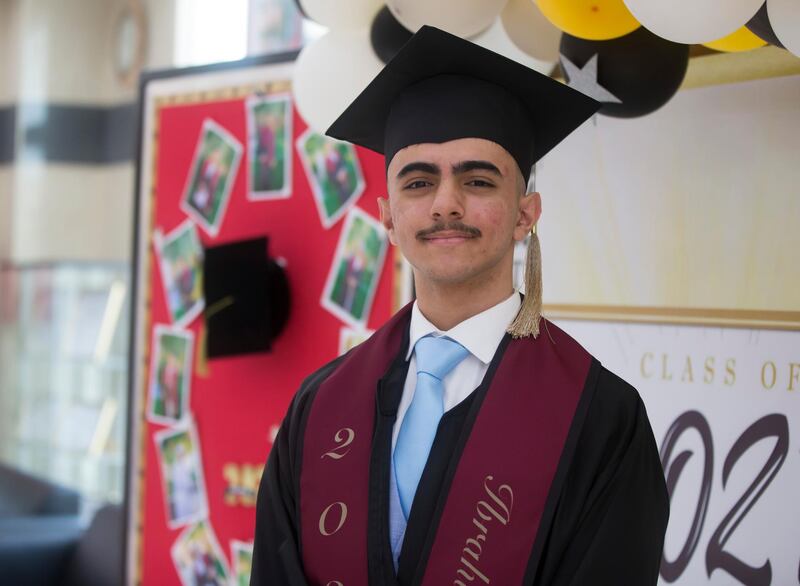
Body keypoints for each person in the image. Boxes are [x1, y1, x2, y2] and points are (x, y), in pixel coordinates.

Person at [251, 26, 668, 586]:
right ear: (388, 217)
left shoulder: (601, 419)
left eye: (477, 180)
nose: (446, 203)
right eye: (418, 182)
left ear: (526, 214)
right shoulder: (320, 405)